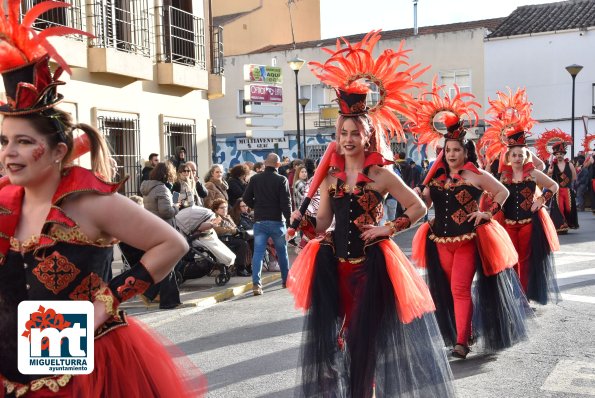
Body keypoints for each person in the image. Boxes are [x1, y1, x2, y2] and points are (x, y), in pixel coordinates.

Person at [0, 9, 201, 394]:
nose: (10, 153)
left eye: (24, 142)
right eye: (5, 141)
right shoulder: (5, 203)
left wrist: (101, 307)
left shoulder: (89, 203)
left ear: (58, 151)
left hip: (78, 367)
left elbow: (171, 243)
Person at [287, 31, 455, 398]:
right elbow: (322, 225)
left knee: (365, 343)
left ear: (367, 135)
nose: (348, 138)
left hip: (372, 268)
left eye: (355, 132)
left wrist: (387, 228)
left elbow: (418, 206)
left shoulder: (381, 174)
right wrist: (300, 224)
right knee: (340, 343)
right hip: (336, 266)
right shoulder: (330, 178)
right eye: (342, 132)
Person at [410, 84, 530, 360]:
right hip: (439, 241)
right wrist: (420, 194)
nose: (451, 154)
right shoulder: (436, 177)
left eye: (455, 150)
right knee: (449, 291)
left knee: (460, 289)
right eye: (447, 150)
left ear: (465, 151)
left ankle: (461, 342)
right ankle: (466, 329)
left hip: (467, 241)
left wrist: (487, 212)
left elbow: (503, 191)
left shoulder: (474, 174)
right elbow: (424, 205)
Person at [243, 153, 292, 296]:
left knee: (258, 253)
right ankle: (285, 280)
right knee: (282, 252)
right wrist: (290, 222)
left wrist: (256, 206)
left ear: (265, 163)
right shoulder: (281, 180)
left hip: (260, 221)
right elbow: (286, 203)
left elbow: (246, 198)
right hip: (277, 221)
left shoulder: (255, 179)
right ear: (277, 165)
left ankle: (257, 284)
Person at [140, 162, 183, 309]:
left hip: (153, 229)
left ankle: (152, 294)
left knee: (165, 265)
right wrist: (176, 207)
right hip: (165, 229)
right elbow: (166, 212)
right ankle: (167, 300)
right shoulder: (162, 189)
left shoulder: (148, 188)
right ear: (167, 174)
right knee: (168, 264)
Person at [211, 198, 251, 276]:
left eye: (225, 207)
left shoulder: (227, 216)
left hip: (230, 238)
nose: (224, 209)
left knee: (250, 240)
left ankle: (248, 266)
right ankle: (240, 269)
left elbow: (235, 227)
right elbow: (217, 230)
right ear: (216, 210)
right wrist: (232, 231)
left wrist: (237, 231)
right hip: (221, 240)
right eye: (221, 208)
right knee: (242, 243)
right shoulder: (215, 217)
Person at [547, 141, 579, 232]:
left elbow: (574, 177)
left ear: (564, 154)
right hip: (557, 191)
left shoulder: (570, 164)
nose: (559, 155)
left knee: (569, 208)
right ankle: (561, 224)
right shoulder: (553, 165)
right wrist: (549, 173)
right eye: (557, 154)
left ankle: (567, 222)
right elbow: (548, 178)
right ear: (555, 155)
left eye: (560, 153)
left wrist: (568, 184)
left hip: (568, 190)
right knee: (560, 207)